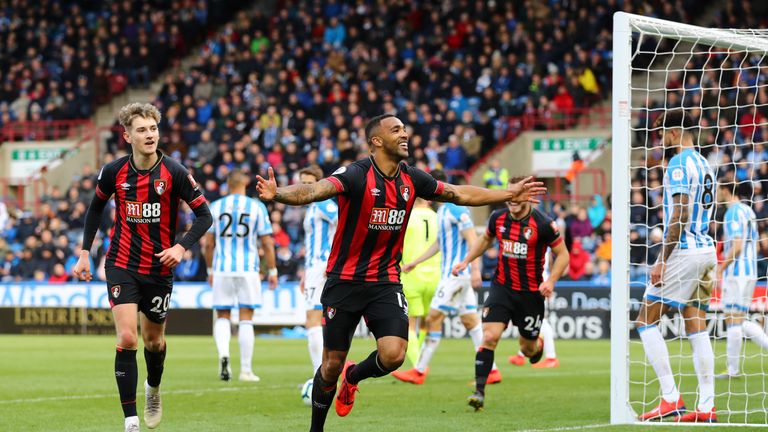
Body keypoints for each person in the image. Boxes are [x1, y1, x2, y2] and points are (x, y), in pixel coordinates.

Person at [255, 114, 545, 431]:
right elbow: (315, 191)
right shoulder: (355, 174)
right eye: (396, 130)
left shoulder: (412, 178)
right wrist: (279, 193)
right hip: (345, 282)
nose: (404, 134)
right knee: (330, 365)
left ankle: (354, 376)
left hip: (385, 281)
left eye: (405, 129)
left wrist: (507, 194)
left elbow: (458, 193)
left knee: (393, 355)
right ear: (376, 141)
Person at [72, 103, 213, 432]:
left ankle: (153, 388)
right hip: (121, 262)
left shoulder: (175, 173)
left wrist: (180, 247)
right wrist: (83, 252)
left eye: (153, 129)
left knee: (154, 342)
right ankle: (131, 420)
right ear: (127, 136)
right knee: (126, 336)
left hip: (159, 269)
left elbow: (204, 216)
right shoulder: (113, 172)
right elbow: (94, 210)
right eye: (142, 130)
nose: (150, 135)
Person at [453, 177, 569, 411]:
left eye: (516, 195)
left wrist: (551, 281)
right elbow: (485, 240)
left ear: (527, 196)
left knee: (528, 350)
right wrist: (466, 260)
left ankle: (537, 345)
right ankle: (480, 392)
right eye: (509, 195)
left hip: (530, 294)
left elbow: (563, 255)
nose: (512, 200)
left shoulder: (544, 224)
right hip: (502, 288)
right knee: (489, 337)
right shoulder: (498, 218)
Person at [636, 109, 717, 423]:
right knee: (696, 326)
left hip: (684, 252)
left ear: (672, 133)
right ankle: (707, 407)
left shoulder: (679, 165)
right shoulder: (704, 163)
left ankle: (670, 397)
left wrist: (661, 259)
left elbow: (679, 215)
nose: (660, 141)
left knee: (645, 319)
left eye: (661, 135)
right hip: (707, 250)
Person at [392, 170, 501, 384]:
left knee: (432, 318)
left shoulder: (456, 208)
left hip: (457, 274)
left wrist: (475, 268)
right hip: (454, 274)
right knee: (471, 321)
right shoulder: (441, 211)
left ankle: (419, 371)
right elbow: (439, 244)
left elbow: (473, 239)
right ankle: (492, 371)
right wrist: (415, 262)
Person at [203, 168, 277, 383]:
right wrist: (272, 270)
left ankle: (223, 356)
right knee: (246, 318)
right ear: (244, 184)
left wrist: (209, 270)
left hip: (222, 268)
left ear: (227, 185)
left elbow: (208, 244)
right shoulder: (256, 207)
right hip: (248, 269)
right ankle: (246, 370)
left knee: (223, 315)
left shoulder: (216, 207)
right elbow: (267, 242)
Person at [716, 182, 768, 379]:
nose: (718, 193)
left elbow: (737, 246)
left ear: (726, 190)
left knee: (732, 319)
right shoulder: (749, 211)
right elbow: (754, 246)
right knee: (738, 318)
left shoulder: (732, 213)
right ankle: (733, 368)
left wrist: (722, 267)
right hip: (751, 271)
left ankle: (732, 369)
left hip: (736, 273)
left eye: (720, 189)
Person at [299, 165, 338, 375]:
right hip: (314, 267)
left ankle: (318, 374)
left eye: (309, 183)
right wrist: (306, 272)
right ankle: (325, 370)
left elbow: (343, 226)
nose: (305, 187)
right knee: (321, 319)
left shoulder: (323, 205)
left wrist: (333, 260)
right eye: (302, 183)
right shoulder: (312, 207)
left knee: (312, 319)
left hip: (322, 266)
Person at [399, 195, 440, 368]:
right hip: (436, 273)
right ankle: (422, 361)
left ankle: (418, 365)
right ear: (429, 200)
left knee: (410, 322)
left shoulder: (406, 217)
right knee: (427, 320)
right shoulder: (438, 216)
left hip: (410, 272)